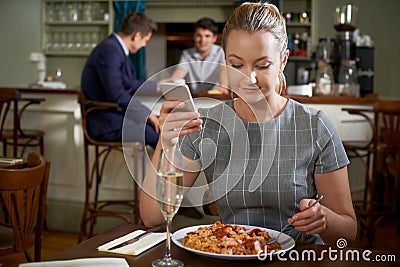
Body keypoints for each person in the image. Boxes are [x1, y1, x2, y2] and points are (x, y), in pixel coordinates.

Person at [140, 2, 357, 245]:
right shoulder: (207, 124)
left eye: (262, 65)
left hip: (299, 258)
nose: (248, 78)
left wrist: (323, 218)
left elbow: (348, 230)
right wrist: (164, 142)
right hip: (231, 253)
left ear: (283, 60)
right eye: (236, 65)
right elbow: (152, 217)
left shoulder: (315, 126)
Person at [81, 12, 159, 148]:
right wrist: (148, 114)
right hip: (104, 123)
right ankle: (165, 169)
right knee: (155, 133)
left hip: (112, 116)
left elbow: (129, 82)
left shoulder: (116, 49)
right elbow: (116, 93)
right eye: (146, 41)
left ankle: (164, 169)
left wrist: (157, 86)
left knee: (159, 129)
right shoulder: (110, 50)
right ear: (137, 35)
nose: (144, 45)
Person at [163, 17, 229, 94]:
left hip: (215, 96)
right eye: (199, 36)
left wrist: (223, 86)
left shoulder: (221, 52)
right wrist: (171, 81)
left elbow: (223, 69)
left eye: (207, 36)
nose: (202, 40)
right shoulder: (186, 53)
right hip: (196, 97)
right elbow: (180, 70)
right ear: (194, 37)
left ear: (214, 38)